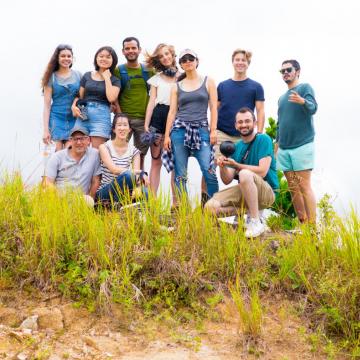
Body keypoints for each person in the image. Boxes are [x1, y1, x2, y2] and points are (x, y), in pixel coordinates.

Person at [205, 107, 279, 238]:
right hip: (246, 191)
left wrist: (237, 165)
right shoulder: (237, 147)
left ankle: (255, 221)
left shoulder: (264, 139)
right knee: (209, 207)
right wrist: (222, 166)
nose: (243, 124)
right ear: (236, 125)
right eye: (240, 122)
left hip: (267, 192)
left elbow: (262, 171)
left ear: (254, 123)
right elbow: (227, 180)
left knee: (244, 173)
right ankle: (249, 211)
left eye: (247, 121)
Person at [163, 49, 219, 200]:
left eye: (190, 58)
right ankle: (184, 212)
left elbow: (214, 107)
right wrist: (167, 136)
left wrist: (213, 130)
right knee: (180, 175)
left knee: (209, 171)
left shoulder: (208, 81)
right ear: (180, 64)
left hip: (201, 130)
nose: (188, 61)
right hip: (180, 131)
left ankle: (215, 210)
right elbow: (172, 111)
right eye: (184, 60)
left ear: (196, 61)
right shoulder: (176, 86)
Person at [276, 59, 318, 223]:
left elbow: (313, 108)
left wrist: (303, 101)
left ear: (297, 71)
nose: (285, 73)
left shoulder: (305, 88)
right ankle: (303, 224)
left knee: (304, 186)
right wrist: (277, 144)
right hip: (284, 149)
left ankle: (313, 229)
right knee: (293, 188)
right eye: (282, 71)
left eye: (288, 70)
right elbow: (280, 123)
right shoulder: (281, 98)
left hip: (302, 144)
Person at [143, 43, 178, 201]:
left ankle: (177, 203)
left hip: (177, 118)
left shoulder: (182, 76)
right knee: (156, 161)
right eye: (161, 56)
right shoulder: (155, 79)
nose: (165, 57)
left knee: (177, 164)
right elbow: (152, 102)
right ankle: (152, 201)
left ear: (172, 54)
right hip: (158, 117)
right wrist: (146, 124)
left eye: (167, 54)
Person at [114, 37, 155, 169]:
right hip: (123, 119)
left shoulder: (148, 71)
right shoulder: (118, 70)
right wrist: (120, 116)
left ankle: (137, 185)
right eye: (127, 48)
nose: (130, 51)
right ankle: (119, 186)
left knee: (140, 155)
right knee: (118, 153)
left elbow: (155, 94)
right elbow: (114, 95)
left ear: (139, 50)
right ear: (123, 51)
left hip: (143, 121)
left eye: (133, 48)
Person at [72, 46, 121, 149]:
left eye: (108, 57)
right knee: (78, 149)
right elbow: (79, 96)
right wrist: (73, 106)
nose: (104, 59)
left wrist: (107, 78)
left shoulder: (115, 80)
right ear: (96, 58)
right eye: (101, 56)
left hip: (101, 116)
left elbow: (111, 98)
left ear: (113, 60)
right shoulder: (87, 75)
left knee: (96, 153)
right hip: (83, 112)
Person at [96, 113, 149, 204]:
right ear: (114, 129)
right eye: (119, 125)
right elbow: (114, 169)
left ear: (129, 129)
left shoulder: (134, 151)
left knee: (144, 192)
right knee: (128, 175)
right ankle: (119, 204)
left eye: (125, 125)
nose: (122, 128)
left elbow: (136, 177)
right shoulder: (104, 147)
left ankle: (122, 207)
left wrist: (139, 184)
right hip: (106, 191)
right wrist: (141, 172)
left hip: (125, 190)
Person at [44, 126, 101, 206]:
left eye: (82, 139)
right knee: (45, 192)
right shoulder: (57, 157)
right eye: (75, 139)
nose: (79, 142)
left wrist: (91, 196)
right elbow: (48, 182)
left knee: (89, 201)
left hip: (81, 199)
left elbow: (96, 181)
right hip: (60, 199)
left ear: (88, 140)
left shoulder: (94, 154)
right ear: (70, 140)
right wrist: (57, 199)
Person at [41, 44, 81, 151]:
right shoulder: (51, 77)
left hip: (74, 119)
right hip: (56, 118)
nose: (66, 58)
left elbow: (82, 96)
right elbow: (47, 106)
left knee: (71, 151)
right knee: (57, 153)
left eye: (69, 56)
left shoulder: (78, 75)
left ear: (72, 58)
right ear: (57, 58)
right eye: (63, 56)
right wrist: (45, 130)